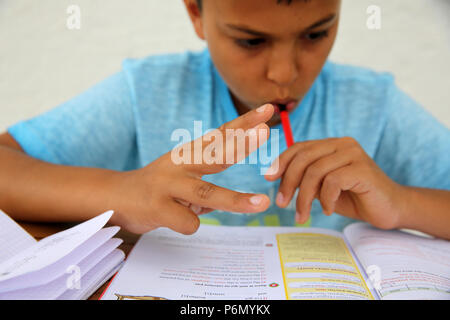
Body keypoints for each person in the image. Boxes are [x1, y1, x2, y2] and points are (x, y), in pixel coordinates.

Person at [0, 0, 449, 239]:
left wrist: (402, 204)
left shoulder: (374, 103)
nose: (284, 73)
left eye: (316, 33)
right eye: (251, 41)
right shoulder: (148, 91)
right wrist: (125, 192)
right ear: (196, 12)